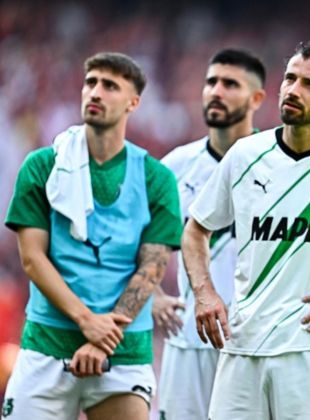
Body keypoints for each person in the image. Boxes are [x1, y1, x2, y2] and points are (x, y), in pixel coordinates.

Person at [181, 41, 310, 420]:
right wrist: (205, 293)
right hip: (242, 348)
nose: (294, 90)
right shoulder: (246, 155)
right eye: (290, 79)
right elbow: (196, 229)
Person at [2, 52, 182, 420]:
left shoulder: (156, 178)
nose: (96, 93)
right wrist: (86, 320)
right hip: (46, 346)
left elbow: (150, 270)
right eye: (91, 83)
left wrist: (103, 340)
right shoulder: (42, 165)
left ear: (134, 103)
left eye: (110, 86)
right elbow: (33, 259)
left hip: (123, 350)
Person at [152, 48, 266, 420]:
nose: (216, 91)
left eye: (230, 84)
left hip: (258, 343)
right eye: (210, 82)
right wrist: (152, 294)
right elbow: (139, 244)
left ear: (256, 98)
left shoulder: (279, 163)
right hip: (188, 341)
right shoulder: (174, 167)